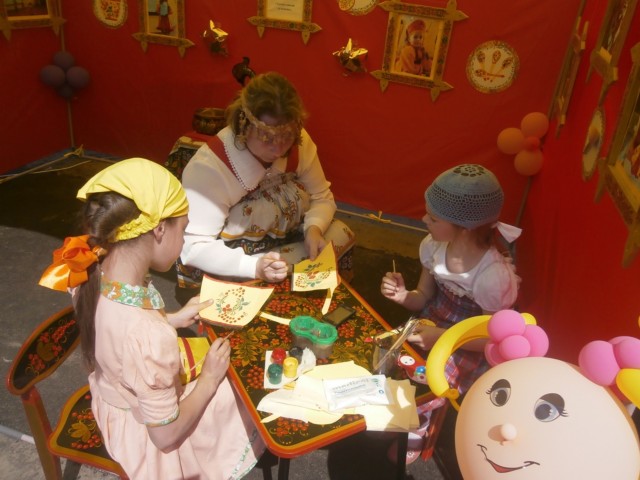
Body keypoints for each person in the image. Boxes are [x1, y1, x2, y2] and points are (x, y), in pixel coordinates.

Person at [39, 158, 265, 479]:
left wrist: (171, 319)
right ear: (159, 229)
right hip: (147, 438)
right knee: (244, 389)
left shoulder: (91, 271)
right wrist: (209, 379)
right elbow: (165, 436)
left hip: (113, 399)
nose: (183, 241)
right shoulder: (145, 336)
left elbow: (118, 333)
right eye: (183, 230)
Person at [380, 164, 521, 464]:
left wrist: (441, 338)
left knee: (427, 382)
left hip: (467, 344)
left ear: (464, 227)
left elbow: (492, 340)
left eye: (433, 218)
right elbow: (423, 297)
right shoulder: (433, 246)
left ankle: (419, 424)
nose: (424, 220)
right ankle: (398, 410)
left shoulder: (493, 277)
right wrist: (403, 296)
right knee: (390, 358)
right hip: (432, 323)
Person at [177, 71, 355, 287]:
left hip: (289, 236)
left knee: (340, 234)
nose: (278, 149)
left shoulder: (298, 142)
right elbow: (194, 247)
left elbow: (322, 197)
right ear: (244, 125)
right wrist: (254, 266)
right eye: (266, 137)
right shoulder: (211, 167)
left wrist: (314, 229)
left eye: (286, 136)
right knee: (280, 278)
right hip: (237, 256)